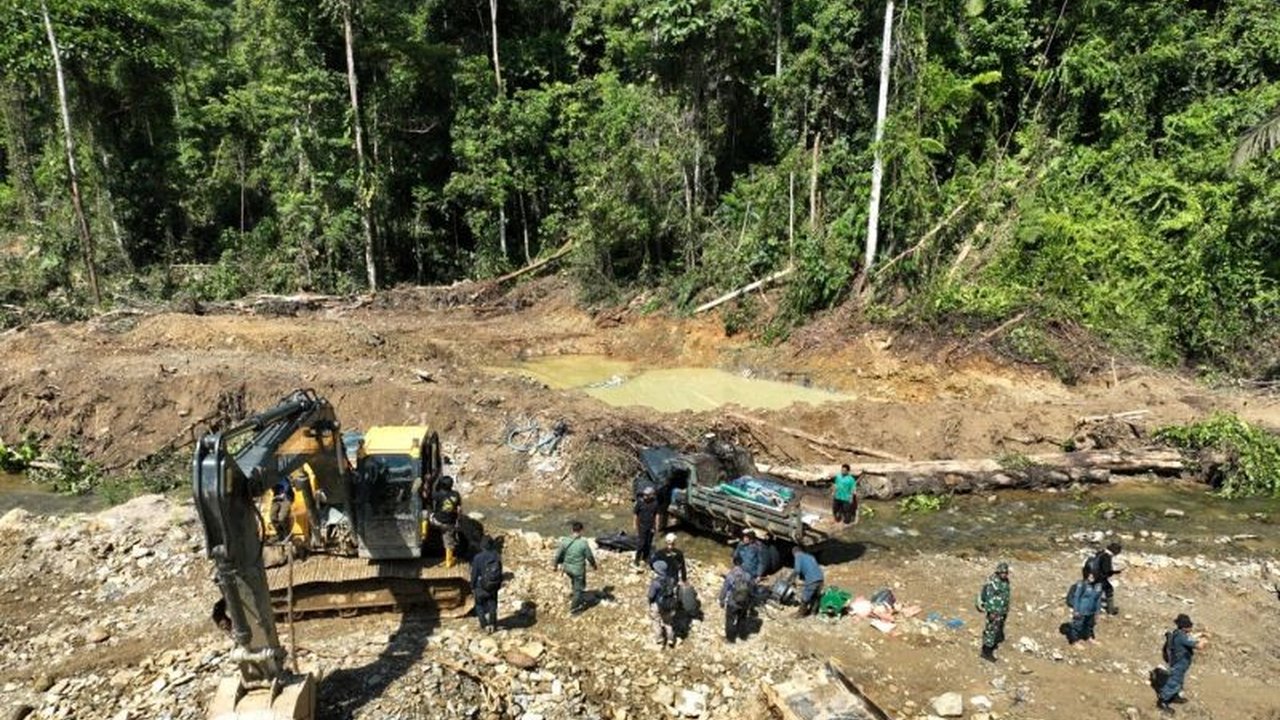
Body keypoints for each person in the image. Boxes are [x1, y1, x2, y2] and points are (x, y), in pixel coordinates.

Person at [1157, 614, 1207, 713]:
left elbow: (1191, 638)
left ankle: (1174, 696)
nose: (1191, 627)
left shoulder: (1180, 633)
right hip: (1178, 664)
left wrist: (1201, 634)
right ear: (1185, 627)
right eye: (1189, 626)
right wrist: (1204, 640)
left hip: (1182, 664)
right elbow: (1199, 646)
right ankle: (1163, 700)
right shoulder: (1181, 637)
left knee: (1179, 681)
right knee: (1174, 681)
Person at [554, 521, 597, 614]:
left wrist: (555, 565)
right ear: (581, 530)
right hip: (578, 570)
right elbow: (589, 556)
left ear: (572, 530)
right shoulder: (583, 543)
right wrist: (594, 565)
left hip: (567, 569)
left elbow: (558, 555)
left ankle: (575, 595)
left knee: (574, 581)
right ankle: (574, 609)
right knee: (579, 588)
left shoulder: (565, 541)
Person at [976, 562, 1011, 662]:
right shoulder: (993, 582)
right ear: (998, 572)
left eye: (1006, 572)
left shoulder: (1005, 581)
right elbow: (989, 597)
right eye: (1003, 572)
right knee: (990, 629)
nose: (1005, 574)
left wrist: (1005, 609)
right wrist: (991, 611)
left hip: (1001, 610)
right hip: (994, 611)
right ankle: (986, 651)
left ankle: (993, 644)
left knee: (997, 628)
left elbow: (1005, 595)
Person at [719, 555, 755, 643]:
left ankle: (730, 639)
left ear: (733, 563)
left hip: (733, 602)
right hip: (744, 602)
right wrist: (750, 602)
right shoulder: (747, 575)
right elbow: (751, 589)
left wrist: (721, 600)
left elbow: (725, 589)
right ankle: (742, 636)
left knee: (730, 619)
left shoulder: (730, 575)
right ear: (742, 563)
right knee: (742, 618)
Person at [470, 537, 503, 633]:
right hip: (493, 586)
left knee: (479, 605)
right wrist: (498, 585)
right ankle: (492, 624)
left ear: (482, 546)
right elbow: (500, 572)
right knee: (492, 605)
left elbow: (474, 574)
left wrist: (472, 586)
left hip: (480, 587)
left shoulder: (477, 558)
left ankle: (484, 625)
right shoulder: (497, 556)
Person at [430, 476, 463, 567]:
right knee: (449, 540)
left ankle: (423, 534)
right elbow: (459, 509)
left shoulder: (438, 494)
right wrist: (457, 520)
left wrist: (426, 483)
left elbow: (426, 495)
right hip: (450, 523)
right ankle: (449, 560)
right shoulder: (456, 494)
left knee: (425, 515)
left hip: (437, 521)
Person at [1066, 570, 1103, 644]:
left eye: (1094, 575)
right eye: (1090, 575)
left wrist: (1098, 611)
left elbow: (1098, 599)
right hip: (1081, 609)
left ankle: (1089, 637)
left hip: (1092, 610)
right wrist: (1076, 610)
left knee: (1089, 625)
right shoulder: (1082, 584)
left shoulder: (1098, 585)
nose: (1092, 577)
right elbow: (1077, 597)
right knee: (1077, 625)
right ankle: (1074, 641)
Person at [1084, 542, 1123, 614]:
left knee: (1096, 591)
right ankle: (1111, 610)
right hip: (1098, 578)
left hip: (1090, 575)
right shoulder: (1107, 557)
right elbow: (1106, 571)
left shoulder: (1100, 553)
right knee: (1109, 589)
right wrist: (1115, 572)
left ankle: (1094, 606)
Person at [647, 560, 678, 648]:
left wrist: (650, 603)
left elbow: (650, 595)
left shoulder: (656, 582)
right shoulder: (672, 579)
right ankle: (671, 639)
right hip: (669, 604)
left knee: (656, 620)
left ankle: (659, 638)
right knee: (668, 622)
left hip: (658, 604)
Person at [788, 545, 825, 617]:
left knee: (805, 597)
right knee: (815, 597)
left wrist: (791, 579)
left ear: (794, 553)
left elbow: (797, 570)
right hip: (820, 578)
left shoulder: (798, 556)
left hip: (812, 579)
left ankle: (800, 614)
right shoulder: (810, 556)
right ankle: (813, 612)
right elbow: (811, 567)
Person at [633, 485, 661, 567]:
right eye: (644, 495)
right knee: (641, 543)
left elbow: (657, 515)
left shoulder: (655, 503)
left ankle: (646, 558)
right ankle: (636, 560)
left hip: (651, 526)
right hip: (642, 526)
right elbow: (635, 514)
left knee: (648, 543)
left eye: (647, 495)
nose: (645, 496)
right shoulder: (640, 502)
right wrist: (635, 524)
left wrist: (657, 525)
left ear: (651, 495)